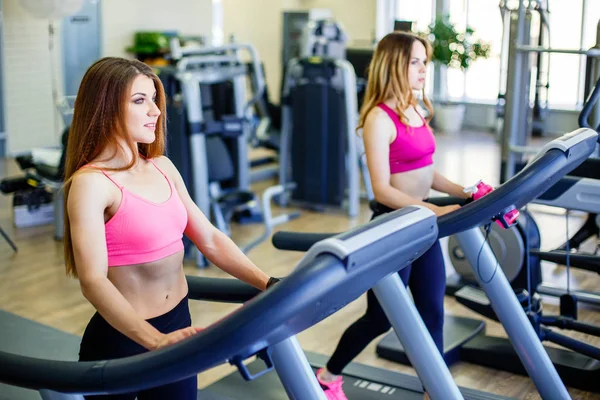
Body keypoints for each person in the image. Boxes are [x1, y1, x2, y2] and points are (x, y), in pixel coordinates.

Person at [62, 57, 279, 399]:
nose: (156, 111)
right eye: (139, 100)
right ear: (105, 108)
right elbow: (93, 281)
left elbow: (208, 238)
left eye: (154, 99)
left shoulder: (162, 166)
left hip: (177, 324)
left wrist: (267, 283)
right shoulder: (92, 184)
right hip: (123, 341)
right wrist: (155, 341)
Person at [315, 32, 473, 400]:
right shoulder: (378, 118)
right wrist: (435, 209)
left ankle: (432, 389)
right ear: (395, 65)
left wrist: (462, 191)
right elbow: (383, 189)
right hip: (392, 227)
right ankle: (328, 374)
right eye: (415, 61)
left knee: (433, 310)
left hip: (422, 225)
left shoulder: (415, 108)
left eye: (424, 61)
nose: (423, 69)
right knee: (381, 317)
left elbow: (427, 170)